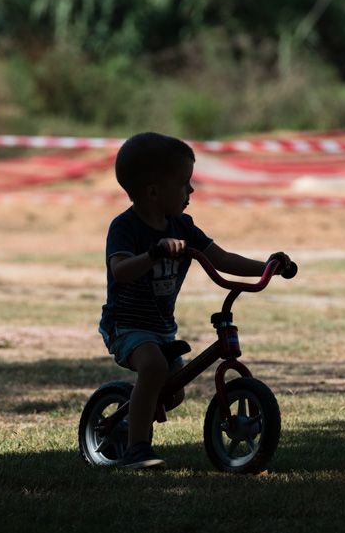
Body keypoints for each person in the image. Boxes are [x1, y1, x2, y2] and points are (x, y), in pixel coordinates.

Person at [99, 132, 293, 470]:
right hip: (126, 325)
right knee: (156, 369)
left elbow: (222, 258)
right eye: (185, 183)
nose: (191, 191)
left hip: (161, 328)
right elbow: (120, 271)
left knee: (172, 393)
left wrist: (268, 267)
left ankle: (132, 416)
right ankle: (136, 448)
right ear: (154, 191)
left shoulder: (183, 227)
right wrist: (153, 253)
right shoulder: (126, 227)